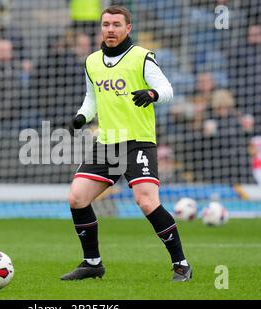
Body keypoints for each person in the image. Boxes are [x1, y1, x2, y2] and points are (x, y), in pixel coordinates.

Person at [62, 5, 192, 282]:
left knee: (146, 202)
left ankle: (181, 264)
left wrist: (152, 93)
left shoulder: (142, 57)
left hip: (138, 142)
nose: (110, 29)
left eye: (116, 24)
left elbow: (168, 89)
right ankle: (92, 263)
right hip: (107, 143)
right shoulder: (92, 62)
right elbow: (92, 97)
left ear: (128, 28)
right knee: (77, 197)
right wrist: (82, 116)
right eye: (106, 24)